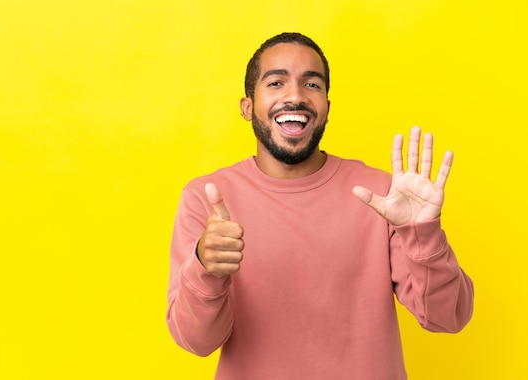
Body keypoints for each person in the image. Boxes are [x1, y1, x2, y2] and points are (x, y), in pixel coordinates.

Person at [166, 32, 474, 380]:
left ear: (327, 106)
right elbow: (196, 341)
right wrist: (206, 269)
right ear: (248, 107)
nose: (295, 96)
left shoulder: (381, 195)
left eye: (312, 84)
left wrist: (425, 236)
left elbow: (448, 318)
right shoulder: (206, 199)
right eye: (276, 82)